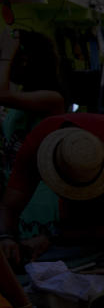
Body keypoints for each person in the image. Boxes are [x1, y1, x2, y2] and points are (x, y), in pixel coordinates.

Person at [0, 113, 104, 265]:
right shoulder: (37, 142)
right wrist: (7, 237)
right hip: (75, 213)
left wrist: (52, 237)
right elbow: (9, 206)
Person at [0, 28, 65, 246]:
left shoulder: (52, 98)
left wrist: (7, 55)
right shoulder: (22, 99)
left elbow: (2, 95)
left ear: (26, 60)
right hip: (18, 197)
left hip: (43, 197)